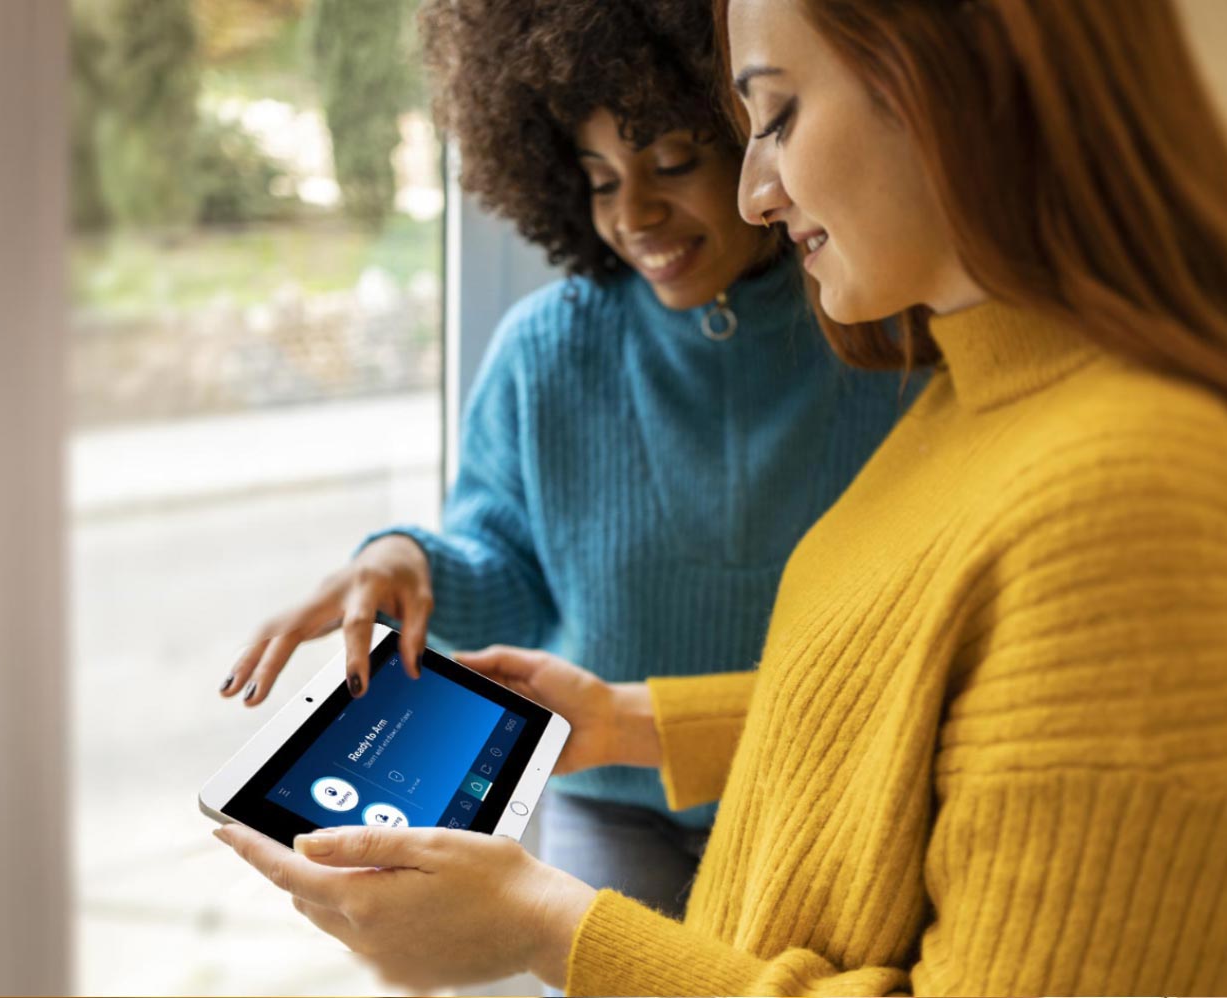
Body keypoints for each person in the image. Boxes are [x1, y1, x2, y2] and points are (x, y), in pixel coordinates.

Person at [215, 0, 1227, 994]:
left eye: (774, 115)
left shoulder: (1127, 502)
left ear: (951, 78)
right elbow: (915, 722)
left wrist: (543, 926)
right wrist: (623, 722)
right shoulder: (972, 392)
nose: (755, 192)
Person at [217, 0, 908, 930]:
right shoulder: (546, 350)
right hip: (610, 792)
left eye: (673, 163)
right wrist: (408, 565)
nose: (635, 213)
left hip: (823, 788)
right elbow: (502, 568)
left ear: (759, 150)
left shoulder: (877, 327)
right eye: (597, 179)